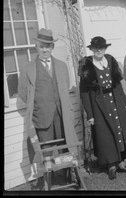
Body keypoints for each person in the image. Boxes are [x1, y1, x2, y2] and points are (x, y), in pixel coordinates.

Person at [18, 28, 79, 188]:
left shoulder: (61, 66)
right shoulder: (28, 69)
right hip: (42, 117)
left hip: (61, 115)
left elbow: (65, 88)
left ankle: (67, 176)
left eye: (48, 46)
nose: (45, 49)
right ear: (36, 47)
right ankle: (48, 180)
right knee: (46, 152)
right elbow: (23, 93)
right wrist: (39, 107)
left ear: (52, 47)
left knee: (65, 147)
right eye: (41, 46)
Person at [79, 36, 126, 180]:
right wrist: (90, 115)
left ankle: (121, 162)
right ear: (92, 50)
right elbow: (84, 93)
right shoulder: (87, 66)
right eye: (96, 49)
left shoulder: (110, 60)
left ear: (105, 49)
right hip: (99, 105)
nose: (99, 51)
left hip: (115, 101)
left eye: (102, 48)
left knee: (119, 130)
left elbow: (117, 84)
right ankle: (111, 165)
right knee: (106, 135)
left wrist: (124, 102)